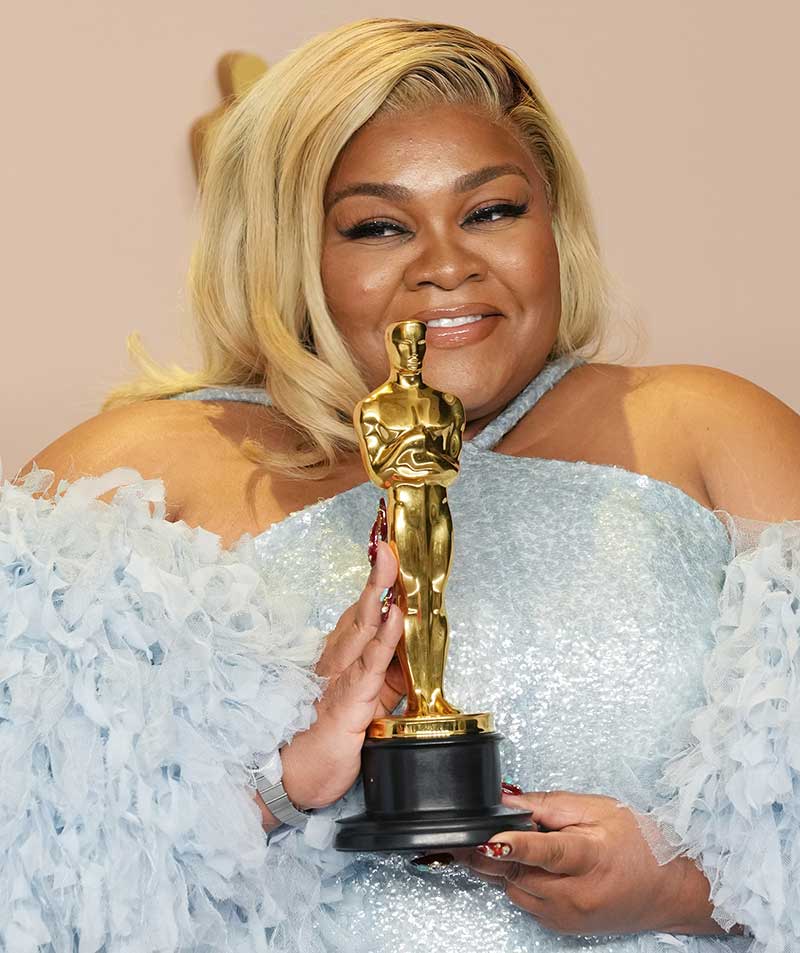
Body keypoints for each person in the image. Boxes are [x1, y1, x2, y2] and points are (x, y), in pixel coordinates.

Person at [4, 16, 800, 953]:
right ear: (287, 250)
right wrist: (279, 784)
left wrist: (684, 888)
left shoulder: (709, 430)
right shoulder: (131, 479)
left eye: (493, 210)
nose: (447, 264)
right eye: (378, 225)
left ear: (555, 223)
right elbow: (36, 873)